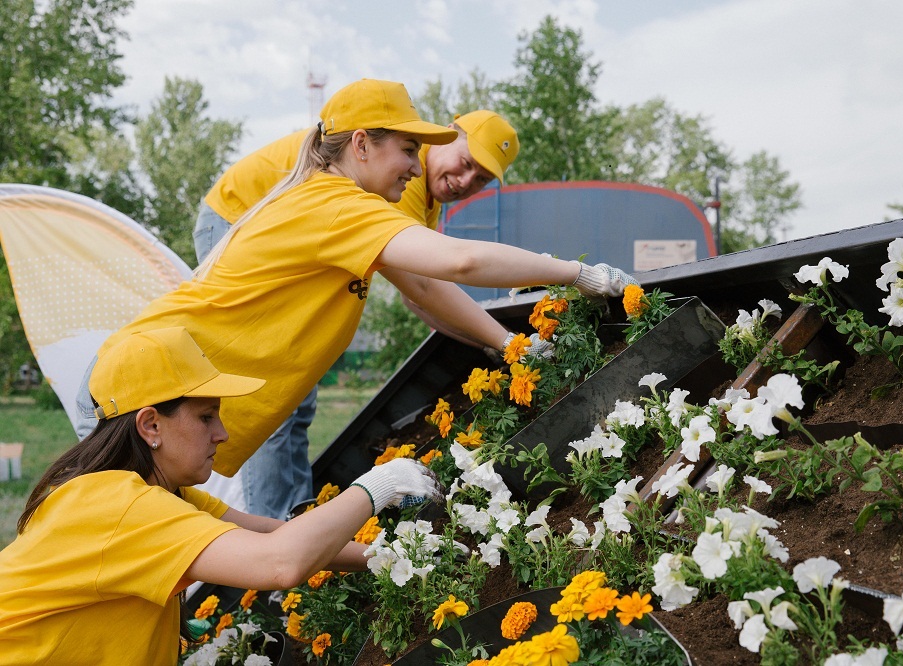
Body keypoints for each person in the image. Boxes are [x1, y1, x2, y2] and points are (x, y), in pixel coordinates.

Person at [76, 78, 636, 514]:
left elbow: (431, 287)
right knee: (118, 563)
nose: (417, 165)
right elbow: (449, 268)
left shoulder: (346, 199)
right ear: (362, 144)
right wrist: (573, 276)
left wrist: (506, 344)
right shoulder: (336, 204)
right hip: (139, 396)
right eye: (408, 149)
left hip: (155, 396)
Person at [0, 326, 439, 665]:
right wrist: (382, 484)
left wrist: (395, 559)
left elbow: (279, 537)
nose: (222, 433)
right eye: (207, 416)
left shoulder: (165, 495)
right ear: (151, 425)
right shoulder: (119, 505)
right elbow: (280, 563)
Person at [185, 104, 522, 519]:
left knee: (297, 398)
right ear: (447, 137)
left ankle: (292, 520)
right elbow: (420, 285)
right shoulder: (402, 169)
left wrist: (488, 343)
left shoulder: (420, 187)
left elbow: (419, 297)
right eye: (467, 163)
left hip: (262, 222)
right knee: (272, 387)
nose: (467, 180)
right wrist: (504, 342)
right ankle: (274, 530)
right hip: (233, 213)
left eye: (482, 179)